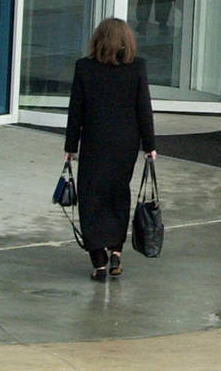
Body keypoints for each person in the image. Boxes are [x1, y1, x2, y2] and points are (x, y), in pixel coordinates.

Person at [64, 18, 156, 281]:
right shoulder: (137, 68)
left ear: (98, 40)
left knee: (91, 196)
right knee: (118, 194)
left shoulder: (84, 68)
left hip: (95, 142)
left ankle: (99, 260)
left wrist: (70, 146)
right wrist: (150, 145)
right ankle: (116, 250)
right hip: (125, 144)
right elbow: (143, 110)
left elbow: (76, 112)